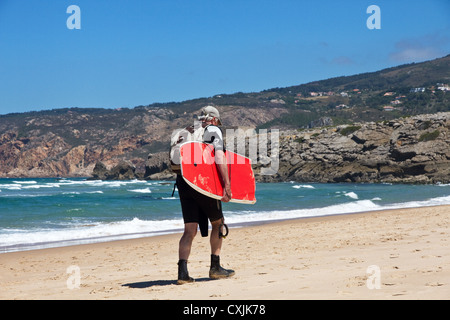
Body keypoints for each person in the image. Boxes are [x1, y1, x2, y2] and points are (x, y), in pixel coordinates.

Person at [176, 106, 235, 284]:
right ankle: (215, 268)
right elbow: (218, 156)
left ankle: (183, 273)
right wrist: (226, 183)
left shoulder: (188, 132)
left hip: (183, 181)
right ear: (215, 119)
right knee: (218, 223)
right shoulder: (213, 130)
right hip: (203, 181)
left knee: (189, 229)